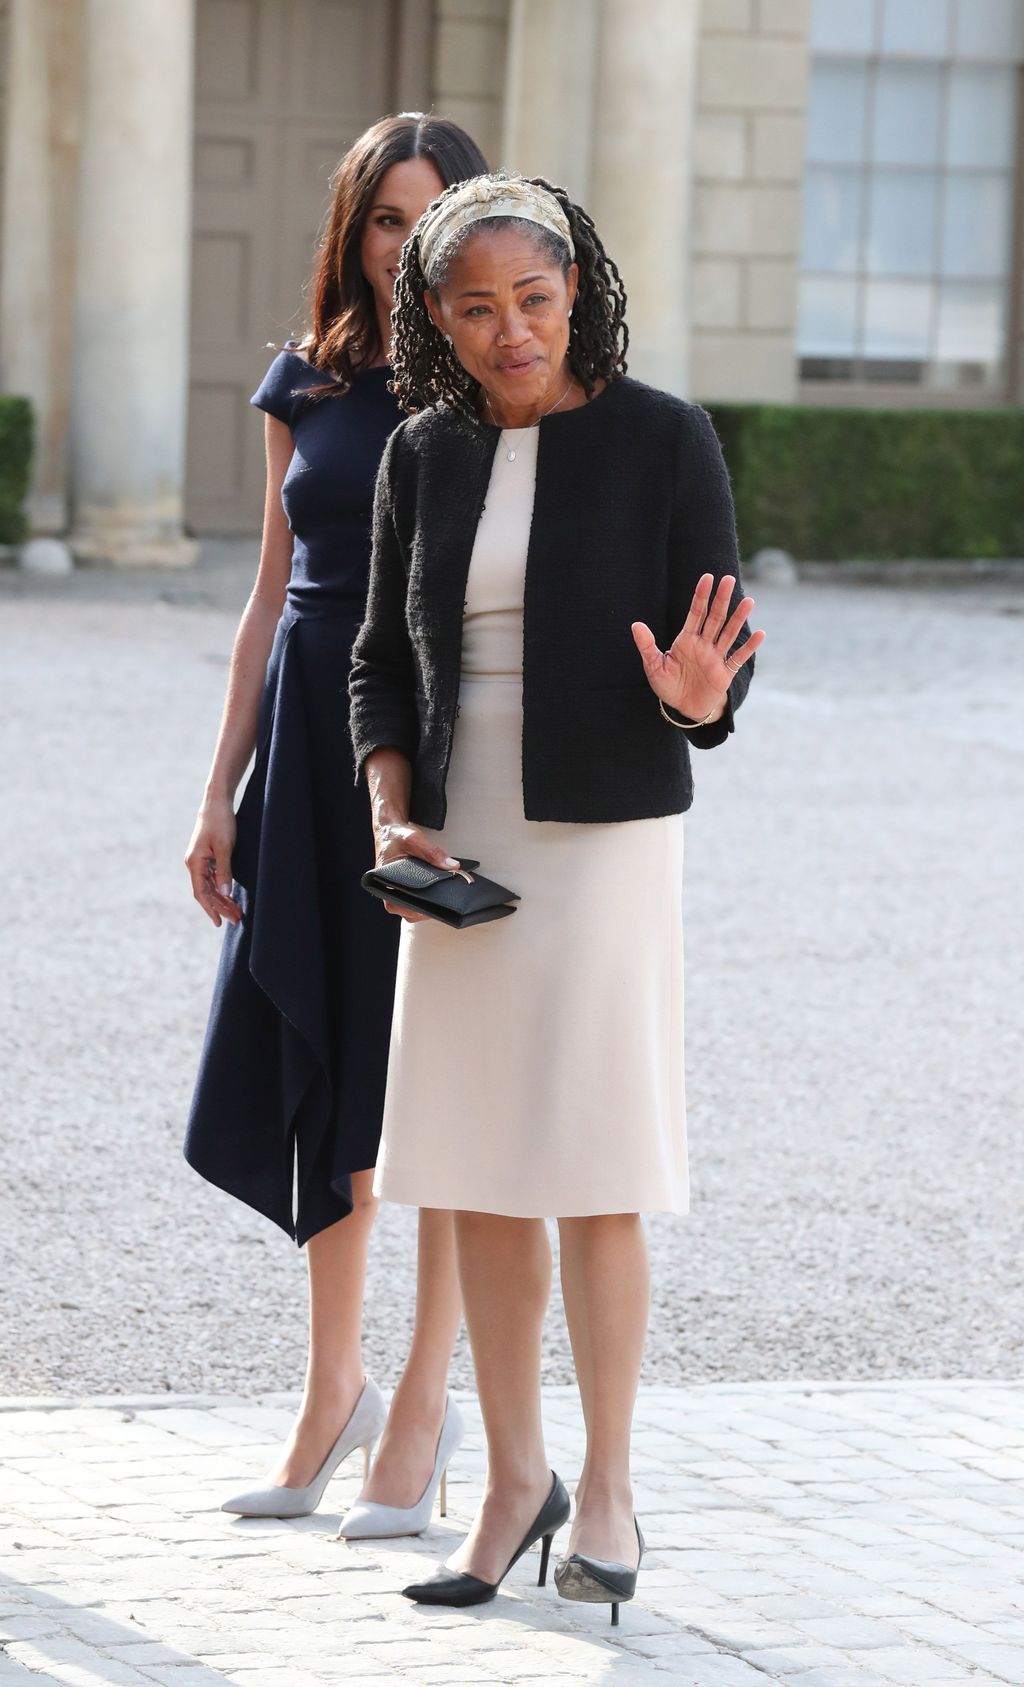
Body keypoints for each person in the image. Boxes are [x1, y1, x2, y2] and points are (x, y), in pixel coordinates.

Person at [348, 172, 763, 1621]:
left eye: (533, 299)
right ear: (438, 324)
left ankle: (614, 1486)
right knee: (474, 1171)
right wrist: (397, 811)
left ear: (575, 291)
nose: (511, 330)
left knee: (595, 1165)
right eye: (477, 310)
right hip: (461, 845)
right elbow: (379, 666)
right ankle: (514, 1480)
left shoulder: (665, 439)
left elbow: (719, 650)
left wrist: (704, 704)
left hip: (604, 838)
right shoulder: (423, 453)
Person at [183, 114, 488, 1538]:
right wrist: (218, 790)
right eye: (382, 216)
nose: (401, 241)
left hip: (426, 748)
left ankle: (423, 1409)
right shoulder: (301, 381)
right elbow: (266, 596)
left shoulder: (491, 386)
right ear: (352, 229)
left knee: (420, 1086)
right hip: (303, 740)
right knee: (322, 1070)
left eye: (429, 216)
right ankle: (331, 1389)